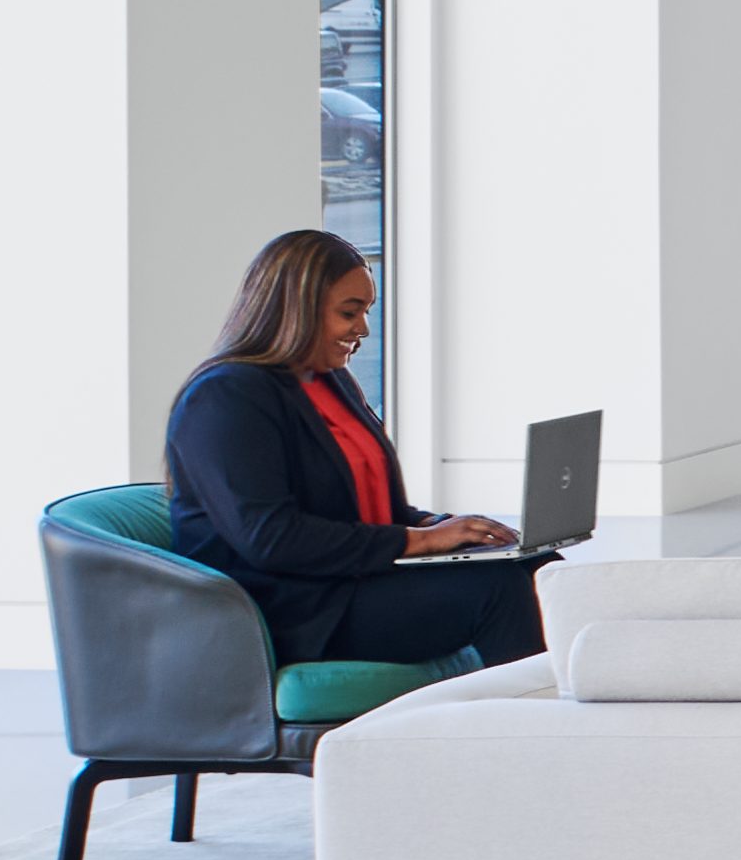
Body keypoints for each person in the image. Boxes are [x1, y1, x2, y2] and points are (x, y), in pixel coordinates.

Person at [162, 230, 551, 676]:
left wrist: (444, 528)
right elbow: (272, 538)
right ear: (296, 308)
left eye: (365, 311)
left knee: (537, 567)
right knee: (495, 589)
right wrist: (420, 541)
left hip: (355, 582)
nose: (363, 329)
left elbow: (375, 508)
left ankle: (593, 720)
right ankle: (535, 736)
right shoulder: (225, 397)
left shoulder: (331, 382)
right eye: (349, 313)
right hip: (293, 609)